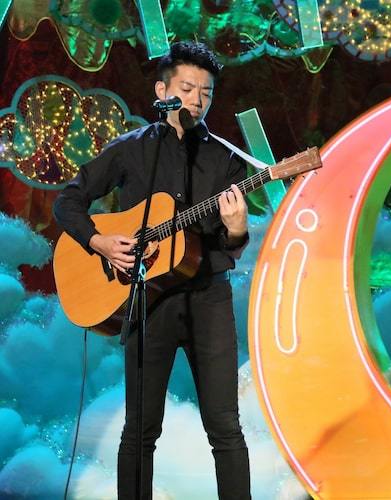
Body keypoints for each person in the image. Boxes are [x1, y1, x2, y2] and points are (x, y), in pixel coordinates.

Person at [53, 41, 252, 499]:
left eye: (206, 92)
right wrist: (99, 241)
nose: (197, 100)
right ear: (162, 91)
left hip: (208, 298)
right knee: (140, 428)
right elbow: (68, 201)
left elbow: (229, 244)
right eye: (188, 88)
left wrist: (238, 230)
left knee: (225, 426)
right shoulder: (131, 150)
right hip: (145, 298)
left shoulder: (226, 159)